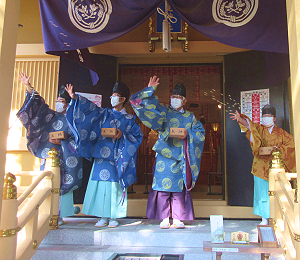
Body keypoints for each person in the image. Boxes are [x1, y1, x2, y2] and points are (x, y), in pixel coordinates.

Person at [130, 76, 205, 229]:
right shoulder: (163, 111)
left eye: (179, 98)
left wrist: (187, 134)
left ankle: (177, 218)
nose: (175, 100)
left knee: (178, 189)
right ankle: (164, 217)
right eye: (173, 97)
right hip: (164, 155)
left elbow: (200, 133)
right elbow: (139, 103)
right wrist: (150, 90)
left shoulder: (190, 117)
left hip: (180, 156)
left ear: (184, 101)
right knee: (162, 189)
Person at [65, 82, 143, 228]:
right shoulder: (104, 113)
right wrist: (75, 97)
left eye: (116, 96)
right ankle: (102, 216)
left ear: (123, 99)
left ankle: (114, 216)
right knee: (100, 187)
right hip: (101, 157)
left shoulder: (130, 120)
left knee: (114, 188)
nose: (112, 98)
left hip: (117, 158)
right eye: (112, 95)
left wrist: (122, 135)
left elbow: (136, 137)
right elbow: (89, 110)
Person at [17, 71, 83, 221]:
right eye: (57, 100)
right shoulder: (50, 115)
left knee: (61, 185)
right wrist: (28, 86)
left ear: (68, 104)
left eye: (62, 101)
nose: (58, 103)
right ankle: (46, 214)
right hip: (48, 157)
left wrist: (64, 141)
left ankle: (60, 214)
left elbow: (79, 141)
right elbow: (37, 105)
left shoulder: (74, 121)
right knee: (46, 184)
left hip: (65, 160)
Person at [230, 105, 296, 225]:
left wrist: (279, 149)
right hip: (260, 166)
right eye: (264, 116)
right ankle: (264, 218)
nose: (266, 118)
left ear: (274, 118)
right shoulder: (259, 129)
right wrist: (240, 119)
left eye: (269, 116)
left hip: (276, 168)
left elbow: (290, 145)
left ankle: (278, 217)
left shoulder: (281, 133)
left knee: (277, 192)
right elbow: (249, 126)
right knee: (262, 193)